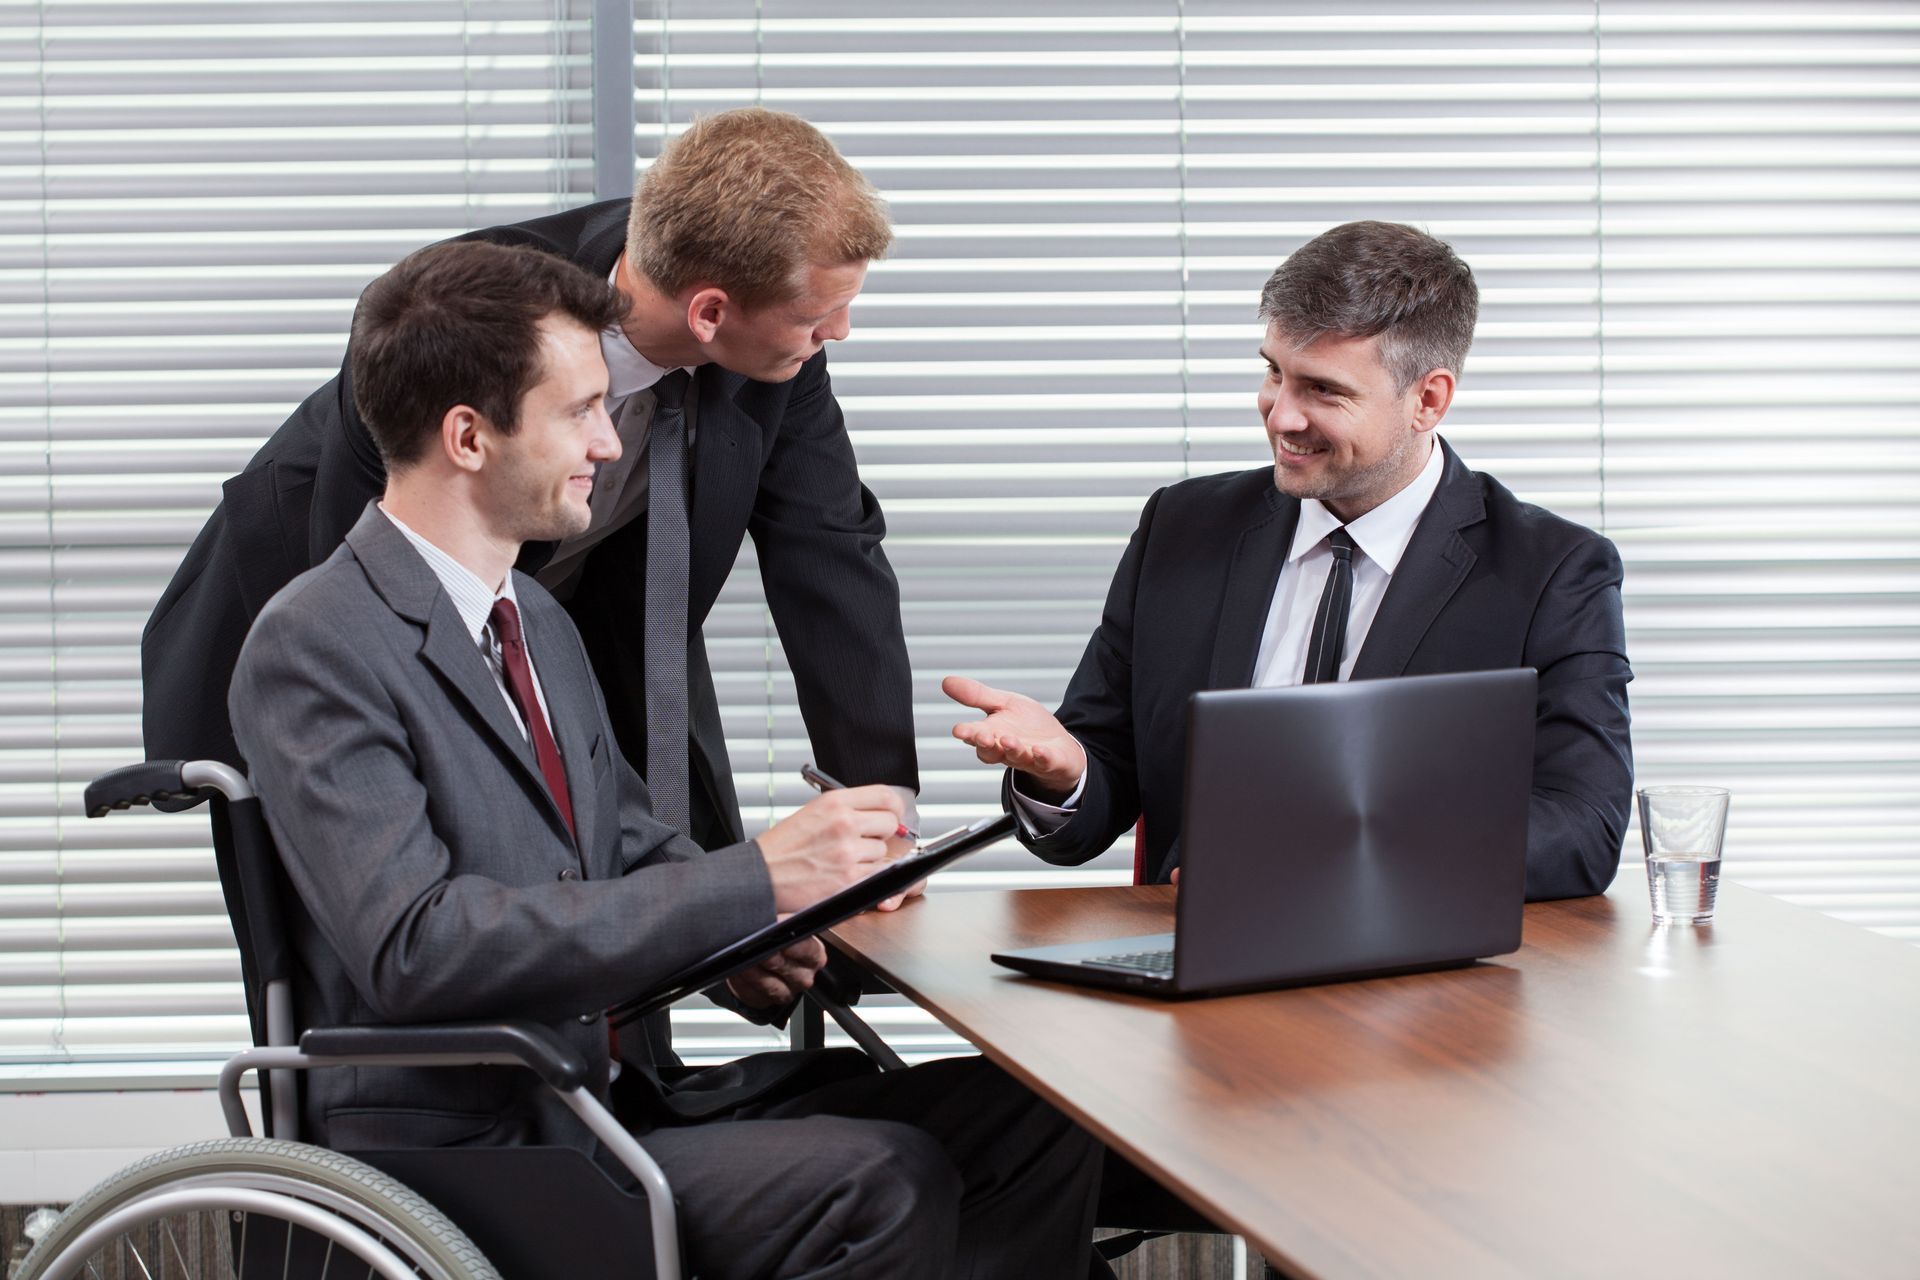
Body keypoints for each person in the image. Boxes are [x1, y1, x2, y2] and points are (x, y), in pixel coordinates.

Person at [227, 238, 1101, 1278]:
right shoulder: (317, 641)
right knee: (880, 1176)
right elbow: (418, 945)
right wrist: (754, 874)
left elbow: (628, 842)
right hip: (469, 1146)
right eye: (579, 410)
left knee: (1033, 1119)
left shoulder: (537, 621)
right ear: (468, 435)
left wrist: (756, 926)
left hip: (599, 1102)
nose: (610, 439)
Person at [145, 106, 916, 852]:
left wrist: (884, 808)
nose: (837, 333)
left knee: (678, 885)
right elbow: (378, 612)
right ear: (709, 312)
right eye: (822, 317)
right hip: (337, 594)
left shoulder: (772, 325)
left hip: (577, 623)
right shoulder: (459, 318)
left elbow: (829, 548)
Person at [945, 220, 1634, 902]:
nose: (1280, 416)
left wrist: (1343, 855)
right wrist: (1065, 775)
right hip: (1188, 970)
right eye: (1274, 372)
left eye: (1323, 390)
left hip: (1418, 985)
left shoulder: (1552, 571)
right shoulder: (1182, 528)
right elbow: (1099, 794)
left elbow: (1582, 828)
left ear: (1428, 400)